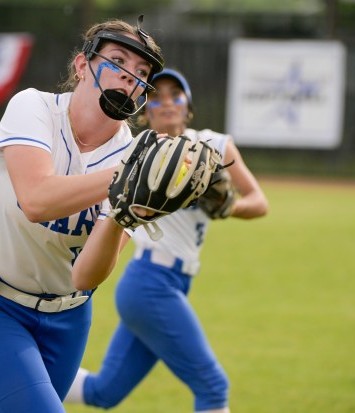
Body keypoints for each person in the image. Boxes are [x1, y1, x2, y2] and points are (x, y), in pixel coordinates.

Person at [0, 16, 165, 413]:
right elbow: (37, 201)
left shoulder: (139, 159)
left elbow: (87, 275)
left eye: (142, 72)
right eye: (117, 61)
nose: (130, 77)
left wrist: (124, 213)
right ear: (82, 66)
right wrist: (126, 178)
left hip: (69, 320)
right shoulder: (34, 107)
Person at [64, 68, 269, 413]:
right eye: (156, 95)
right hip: (148, 283)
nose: (167, 102)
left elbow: (259, 203)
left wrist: (229, 206)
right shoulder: (135, 153)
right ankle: (8, 383)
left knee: (105, 391)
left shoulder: (214, 145)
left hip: (174, 282)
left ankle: (9, 384)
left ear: (188, 106)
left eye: (176, 94)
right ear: (145, 109)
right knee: (214, 386)